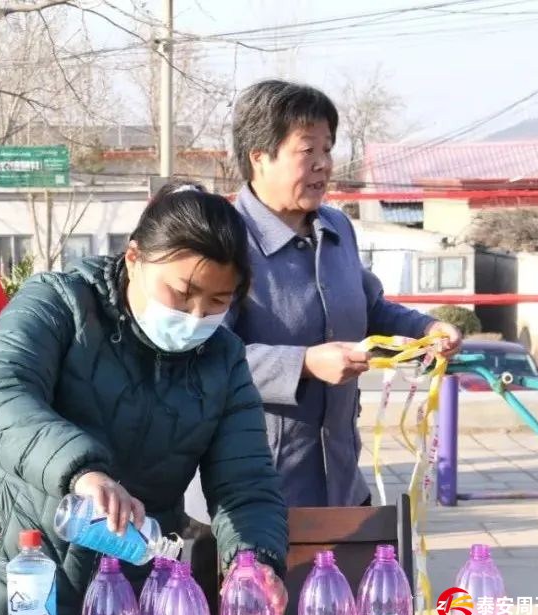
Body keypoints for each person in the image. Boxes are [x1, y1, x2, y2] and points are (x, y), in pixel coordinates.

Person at [0, 181, 288, 615]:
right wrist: (84, 473)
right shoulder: (61, 303)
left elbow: (244, 482)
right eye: (181, 293)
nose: (194, 316)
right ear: (134, 259)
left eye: (217, 302)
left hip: (116, 607)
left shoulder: (223, 361)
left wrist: (253, 561)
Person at [187, 80, 461, 515]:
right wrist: (305, 364)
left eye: (328, 150)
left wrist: (425, 328)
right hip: (259, 491)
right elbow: (202, 355)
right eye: (307, 151)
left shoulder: (337, 229)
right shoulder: (222, 239)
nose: (323, 165)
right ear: (259, 157)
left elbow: (369, 307)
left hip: (342, 479)